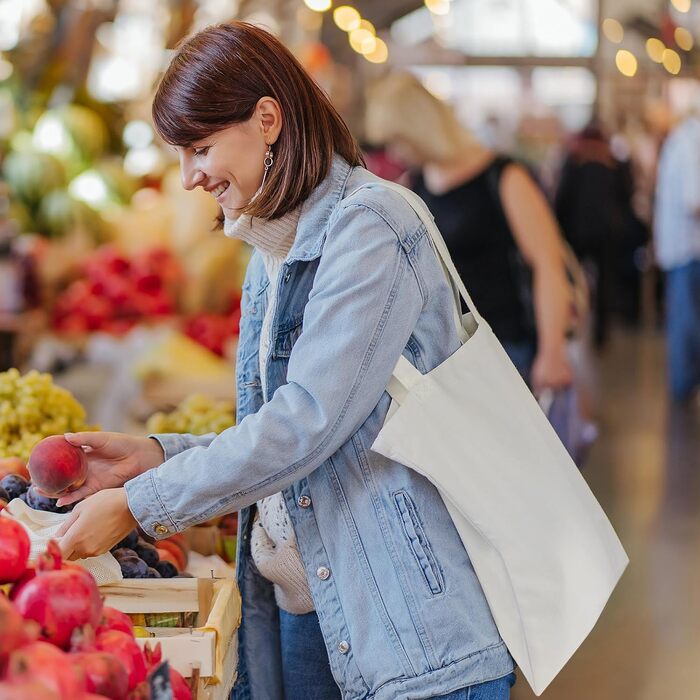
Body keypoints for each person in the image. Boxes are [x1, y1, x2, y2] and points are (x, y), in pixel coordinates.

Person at [56, 22, 516, 700]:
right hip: (314, 610)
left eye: (201, 147)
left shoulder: (370, 228)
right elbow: (295, 434)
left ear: (267, 119)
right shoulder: (272, 248)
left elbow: (309, 422)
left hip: (409, 631)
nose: (189, 177)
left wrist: (144, 504)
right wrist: (158, 456)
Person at [365, 73, 572, 391]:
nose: (394, 153)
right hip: (446, 357)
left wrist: (552, 351)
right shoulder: (417, 183)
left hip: (505, 348)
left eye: (398, 141)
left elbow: (548, 265)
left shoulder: (503, 176)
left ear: (418, 130)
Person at [654, 107, 700, 403]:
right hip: (686, 250)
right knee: (686, 321)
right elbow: (694, 202)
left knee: (685, 319)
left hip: (682, 249)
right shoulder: (690, 145)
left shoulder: (683, 139)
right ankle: (684, 388)